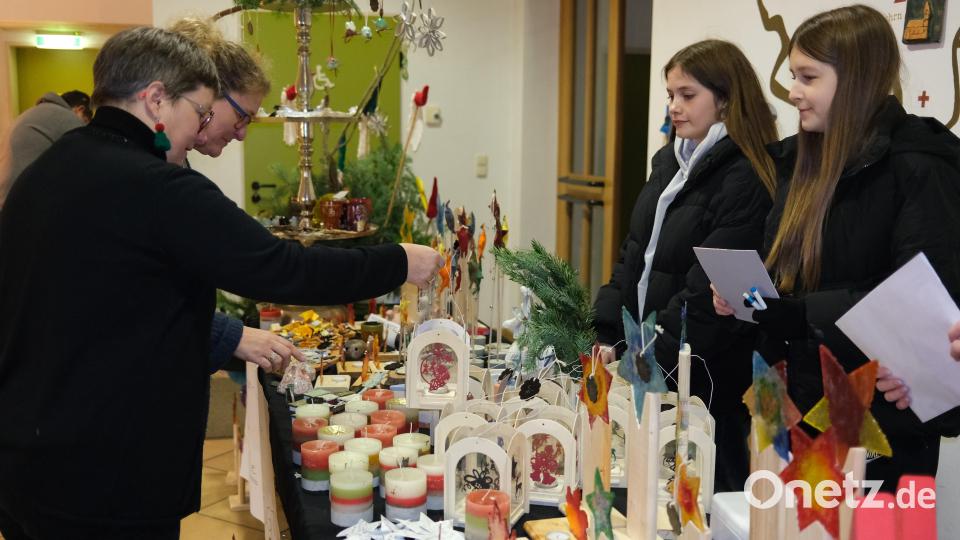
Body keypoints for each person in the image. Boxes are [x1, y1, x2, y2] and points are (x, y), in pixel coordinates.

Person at [0, 26, 442, 538]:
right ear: (156, 99)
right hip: (104, 477)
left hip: (27, 459)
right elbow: (283, 268)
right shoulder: (158, 189)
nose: (203, 127)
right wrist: (398, 261)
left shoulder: (53, 165)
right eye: (201, 110)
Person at [713, 4, 960, 490]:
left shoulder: (917, 168)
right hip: (782, 405)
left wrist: (801, 313)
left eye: (808, 77)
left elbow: (921, 299)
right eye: (792, 76)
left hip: (873, 424)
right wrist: (749, 300)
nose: (793, 92)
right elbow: (789, 272)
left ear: (857, 79)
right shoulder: (799, 163)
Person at [593, 39, 778, 492]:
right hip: (648, 361)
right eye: (670, 95)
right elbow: (635, 255)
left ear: (727, 98)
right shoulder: (669, 162)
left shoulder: (746, 177)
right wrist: (608, 332)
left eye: (688, 95)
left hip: (701, 374)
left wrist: (650, 359)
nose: (675, 107)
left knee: (695, 496)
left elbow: (707, 289)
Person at [0, 90, 90, 205]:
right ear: (80, 110)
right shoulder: (67, 118)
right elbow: (86, 162)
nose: (84, 125)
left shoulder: (30, 113)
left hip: (6, 200)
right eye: (86, 121)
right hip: (22, 204)